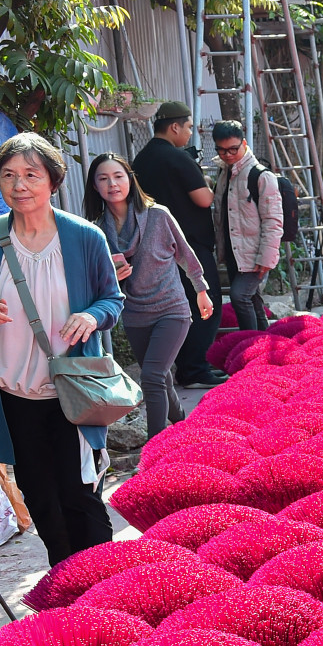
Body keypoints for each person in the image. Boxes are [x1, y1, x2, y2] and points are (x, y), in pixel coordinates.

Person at [0, 133, 122, 565]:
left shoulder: (84, 237)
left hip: (74, 390)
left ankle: (104, 588)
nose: (20, 185)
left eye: (31, 174)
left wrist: (91, 316)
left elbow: (112, 299)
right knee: (41, 497)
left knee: (79, 493)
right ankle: (65, 587)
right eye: (9, 175)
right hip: (14, 393)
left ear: (53, 180)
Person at [84, 152, 213, 438]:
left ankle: (155, 447)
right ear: (94, 186)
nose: (112, 184)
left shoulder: (158, 215)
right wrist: (111, 278)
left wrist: (201, 289)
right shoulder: (96, 230)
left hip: (172, 308)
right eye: (103, 179)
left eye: (118, 176)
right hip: (135, 314)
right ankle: (183, 427)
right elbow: (94, 279)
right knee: (162, 377)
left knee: (151, 377)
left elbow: (185, 253)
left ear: (130, 179)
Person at [131, 101, 227, 387]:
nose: (188, 134)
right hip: (189, 245)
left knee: (176, 307)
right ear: (174, 127)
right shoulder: (177, 157)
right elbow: (204, 199)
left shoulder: (141, 159)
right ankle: (195, 369)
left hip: (154, 247)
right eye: (187, 128)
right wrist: (208, 180)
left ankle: (190, 366)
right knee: (205, 305)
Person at [209, 120, 282, 330]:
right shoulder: (224, 172)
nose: (228, 154)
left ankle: (249, 346)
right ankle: (262, 343)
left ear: (244, 143)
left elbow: (273, 220)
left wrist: (267, 257)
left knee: (239, 297)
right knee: (253, 301)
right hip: (234, 252)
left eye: (233, 149)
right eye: (221, 150)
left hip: (255, 253)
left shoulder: (261, 175)